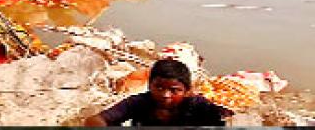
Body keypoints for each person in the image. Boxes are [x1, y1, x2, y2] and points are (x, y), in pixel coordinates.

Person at [85, 59, 232, 126]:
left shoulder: (197, 105)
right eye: (159, 88)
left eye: (174, 90)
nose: (165, 95)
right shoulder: (139, 102)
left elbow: (228, 119)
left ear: (187, 91)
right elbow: (94, 120)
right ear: (149, 85)